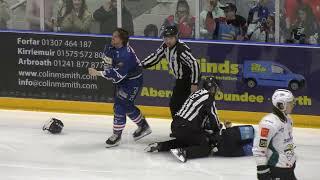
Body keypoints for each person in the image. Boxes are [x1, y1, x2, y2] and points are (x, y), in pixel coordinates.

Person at [88, 28, 151, 147]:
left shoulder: (125, 55)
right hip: (124, 80)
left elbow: (117, 75)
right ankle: (143, 125)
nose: (112, 38)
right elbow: (108, 66)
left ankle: (116, 135)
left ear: (121, 40)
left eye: (115, 36)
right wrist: (106, 71)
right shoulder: (110, 47)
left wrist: (98, 73)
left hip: (133, 82)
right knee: (126, 105)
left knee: (120, 105)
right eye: (113, 35)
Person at [145, 77, 221, 162]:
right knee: (205, 147)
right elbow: (214, 117)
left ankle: (161, 146)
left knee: (187, 141)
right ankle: (184, 152)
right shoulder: (209, 97)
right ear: (212, 88)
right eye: (215, 89)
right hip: (187, 127)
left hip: (175, 125)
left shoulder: (195, 94)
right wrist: (218, 131)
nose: (216, 91)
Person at [141, 25, 200, 121]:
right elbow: (156, 56)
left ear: (176, 37)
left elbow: (195, 64)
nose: (168, 41)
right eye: (166, 38)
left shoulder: (181, 50)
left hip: (187, 80)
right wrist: (141, 65)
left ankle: (180, 127)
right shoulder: (165, 46)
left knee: (176, 104)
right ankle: (180, 126)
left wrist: (194, 83)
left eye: (171, 38)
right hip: (181, 80)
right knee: (177, 104)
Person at [253, 89, 297, 180]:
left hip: (288, 167)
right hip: (277, 169)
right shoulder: (269, 123)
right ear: (281, 105)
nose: (293, 105)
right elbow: (259, 148)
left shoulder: (288, 119)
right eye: (290, 103)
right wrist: (262, 170)